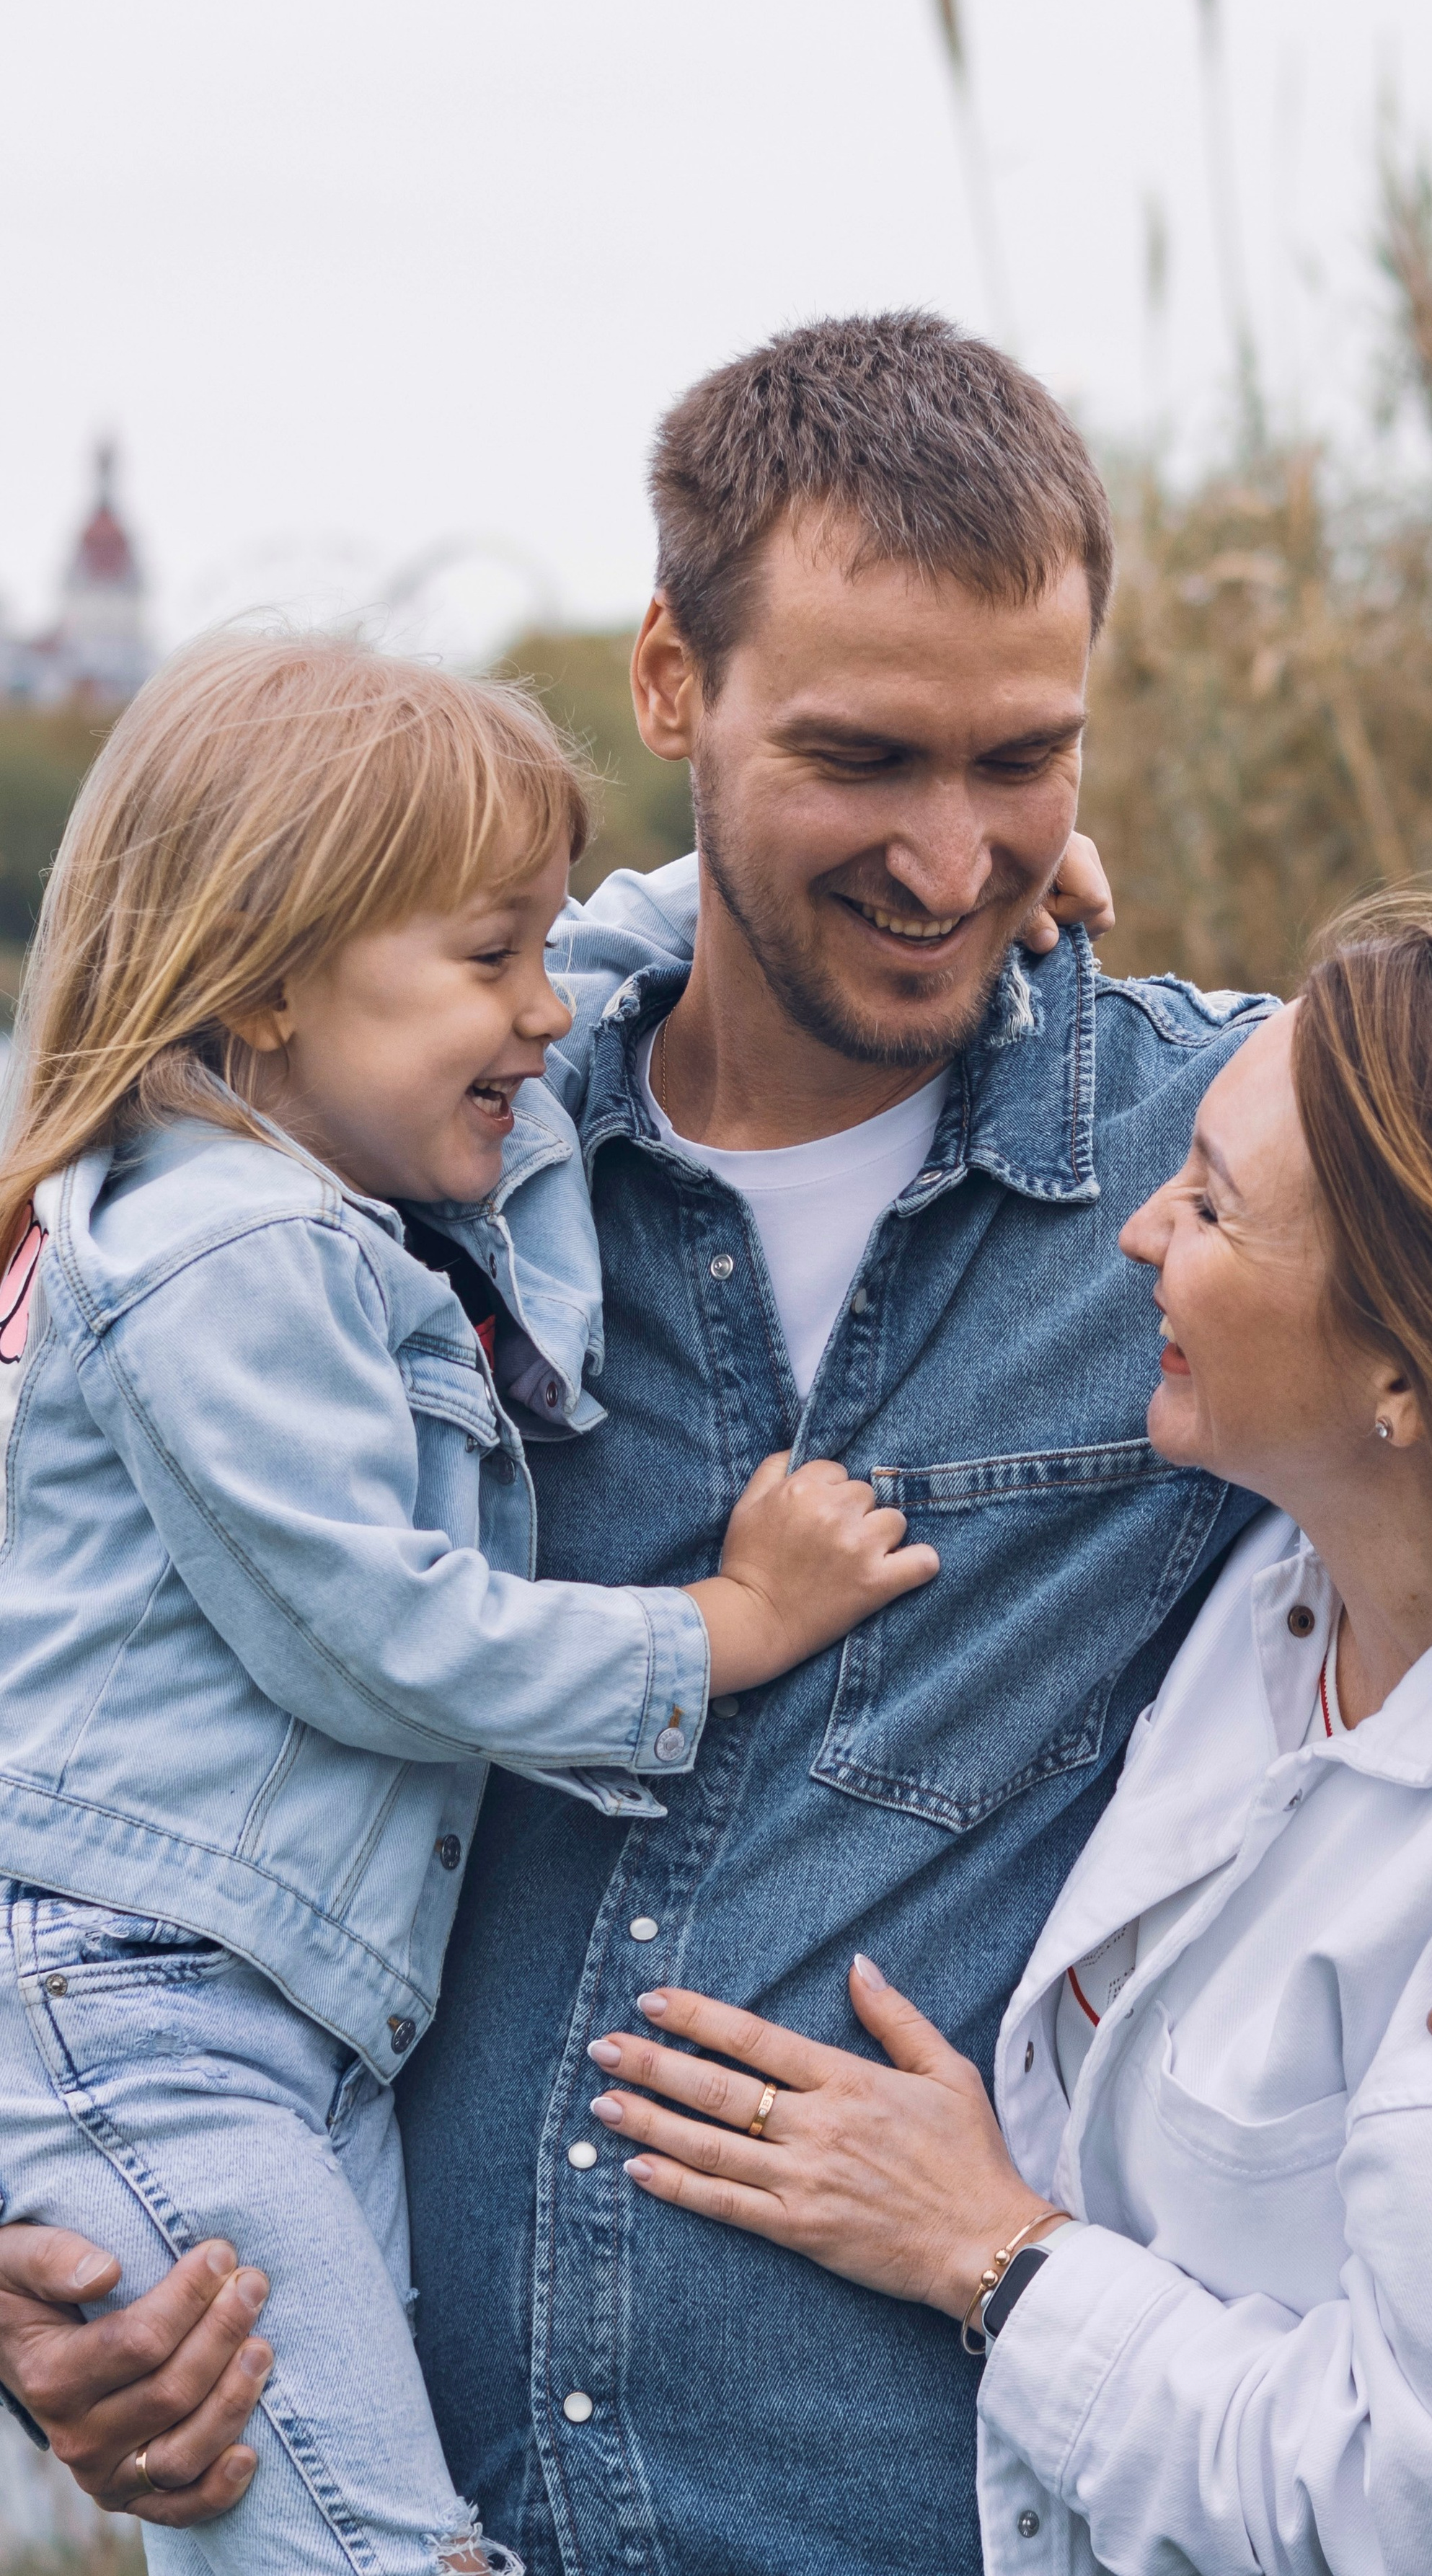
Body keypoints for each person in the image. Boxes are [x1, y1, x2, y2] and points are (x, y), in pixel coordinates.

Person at [10, 318, 1432, 2576]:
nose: (953, 858)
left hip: (942, 2511)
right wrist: (57, 2275)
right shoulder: (394, 1167)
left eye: (1027, 762)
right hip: (434, 2485)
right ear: (674, 684)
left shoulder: (1257, 1175)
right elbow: (81, 1726)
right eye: (863, 758)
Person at [588, 898, 1432, 2573]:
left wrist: (994, 2255)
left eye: (1211, 1206)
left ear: (1413, 1359)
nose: (1134, 1233)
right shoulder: (1276, 1577)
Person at [0, 632, 937, 2574]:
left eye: (535, 948)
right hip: (144, 2014)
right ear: (269, 978)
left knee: (289, 2534)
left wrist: (948, 881)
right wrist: (726, 1626)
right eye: (482, 959)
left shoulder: (330, 1186)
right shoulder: (226, 1249)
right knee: (367, 2543)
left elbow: (575, 965)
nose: (542, 1017)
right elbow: (378, 1626)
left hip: (267, 2021)